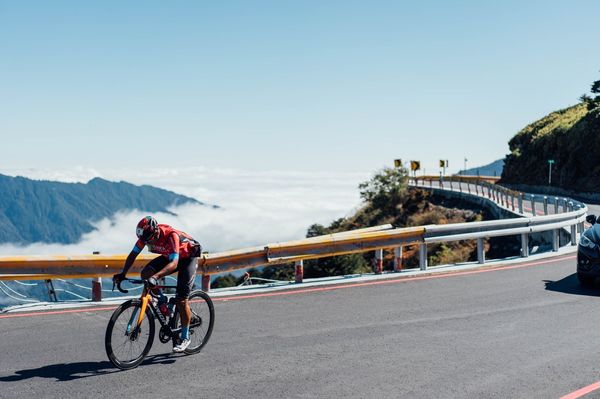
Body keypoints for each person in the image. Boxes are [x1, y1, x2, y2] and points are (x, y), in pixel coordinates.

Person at [113, 216, 201, 353]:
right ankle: (162, 300)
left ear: (155, 232)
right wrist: (123, 273)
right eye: (145, 241)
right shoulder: (145, 237)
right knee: (145, 274)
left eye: (150, 241)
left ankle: (185, 337)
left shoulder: (171, 236)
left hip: (187, 258)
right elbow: (133, 254)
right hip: (170, 256)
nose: (147, 244)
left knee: (182, 299)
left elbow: (173, 264)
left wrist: (156, 277)